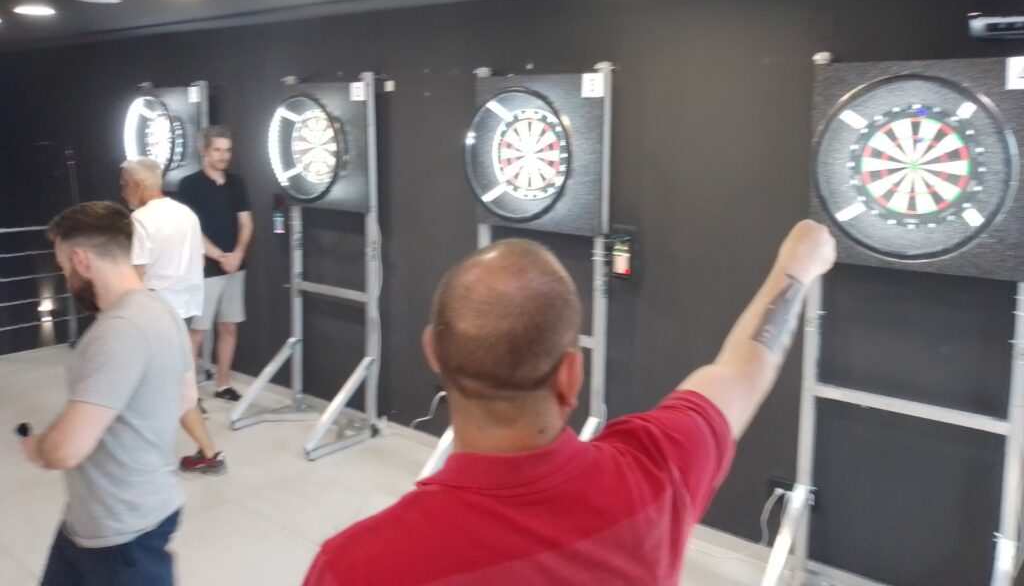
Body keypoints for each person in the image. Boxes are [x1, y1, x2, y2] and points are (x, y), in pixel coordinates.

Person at [303, 220, 836, 586]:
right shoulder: (656, 473)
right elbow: (742, 369)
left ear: (432, 354)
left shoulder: (351, 568)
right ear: (571, 374)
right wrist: (797, 265)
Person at [22, 201, 194, 586]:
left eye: (64, 268)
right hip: (96, 519)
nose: (66, 279)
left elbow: (65, 451)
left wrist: (39, 447)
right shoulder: (162, 309)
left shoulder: (118, 331)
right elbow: (185, 398)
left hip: (121, 532)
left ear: (81, 260)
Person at [120, 157, 226, 475]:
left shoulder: (141, 219)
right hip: (182, 312)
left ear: (139, 184)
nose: (123, 191)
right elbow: (197, 262)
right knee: (178, 387)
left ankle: (141, 457)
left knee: (150, 388)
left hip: (153, 314)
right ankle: (209, 453)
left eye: (124, 185)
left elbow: (135, 274)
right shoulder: (186, 214)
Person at [177, 125, 253, 401]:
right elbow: (191, 229)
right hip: (206, 269)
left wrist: (238, 254)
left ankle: (223, 385)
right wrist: (220, 256)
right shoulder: (189, 185)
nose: (224, 156)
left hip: (235, 267)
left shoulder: (237, 183)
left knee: (229, 326)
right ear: (205, 152)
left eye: (228, 150)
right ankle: (187, 393)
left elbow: (246, 222)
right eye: (218, 150)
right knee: (198, 331)